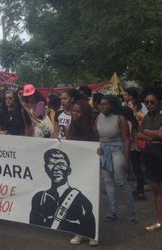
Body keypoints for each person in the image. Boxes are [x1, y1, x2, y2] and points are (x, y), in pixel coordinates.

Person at [137, 86, 162, 240]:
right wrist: (151, 136)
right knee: (156, 190)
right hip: (150, 154)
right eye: (146, 102)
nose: (149, 104)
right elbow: (139, 134)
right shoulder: (147, 117)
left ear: (160, 102)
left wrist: (147, 133)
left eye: (152, 102)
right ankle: (161, 223)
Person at [29, 149, 96, 240]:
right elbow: (33, 226)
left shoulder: (81, 201)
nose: (56, 168)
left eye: (61, 164)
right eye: (51, 163)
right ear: (45, 168)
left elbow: (91, 233)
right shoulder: (39, 198)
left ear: (69, 170)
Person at [96, 95, 137, 225]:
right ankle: (112, 212)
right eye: (101, 104)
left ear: (112, 105)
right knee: (108, 182)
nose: (102, 106)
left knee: (121, 182)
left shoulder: (120, 118)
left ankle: (132, 214)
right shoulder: (98, 117)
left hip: (117, 150)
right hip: (103, 151)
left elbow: (126, 139)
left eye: (105, 104)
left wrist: (127, 159)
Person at [65, 100, 98, 245]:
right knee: (75, 201)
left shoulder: (92, 130)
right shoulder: (69, 128)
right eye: (73, 111)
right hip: (75, 169)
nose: (75, 114)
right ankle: (78, 233)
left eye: (78, 112)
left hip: (89, 169)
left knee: (90, 202)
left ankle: (92, 234)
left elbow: (96, 150)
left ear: (84, 113)